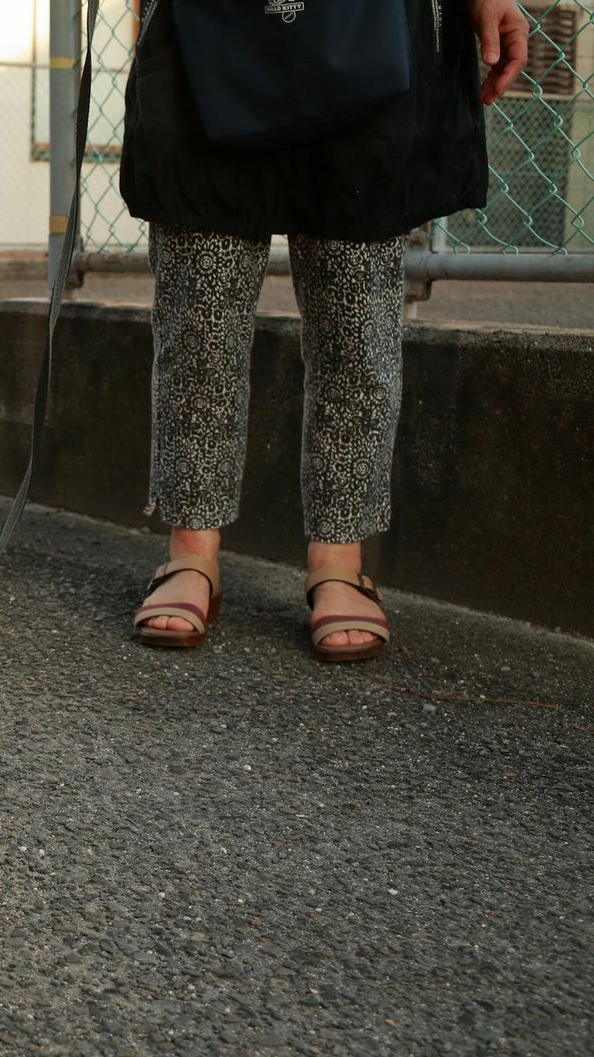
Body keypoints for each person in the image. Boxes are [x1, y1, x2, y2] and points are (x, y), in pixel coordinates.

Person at [117, 0, 527, 661]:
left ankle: (339, 558)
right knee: (200, 316)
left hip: (370, 28)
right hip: (207, 29)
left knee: (356, 316)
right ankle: (191, 551)